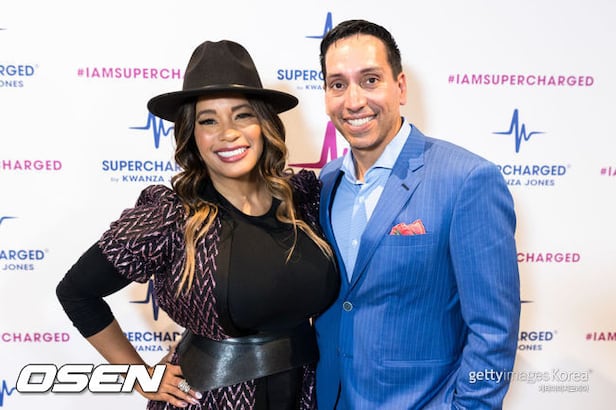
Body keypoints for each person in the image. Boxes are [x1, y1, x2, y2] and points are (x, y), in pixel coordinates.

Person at [56, 39, 339, 409]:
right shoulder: (171, 217)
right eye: (208, 120)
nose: (227, 132)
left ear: (264, 123)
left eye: (242, 115)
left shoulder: (301, 199)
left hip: (306, 394)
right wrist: (140, 375)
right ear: (192, 134)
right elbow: (77, 292)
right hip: (211, 399)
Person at [313, 19, 520, 409]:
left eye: (370, 80)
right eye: (337, 84)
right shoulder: (324, 184)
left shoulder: (467, 180)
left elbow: (494, 332)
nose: (353, 101)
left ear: (401, 87)